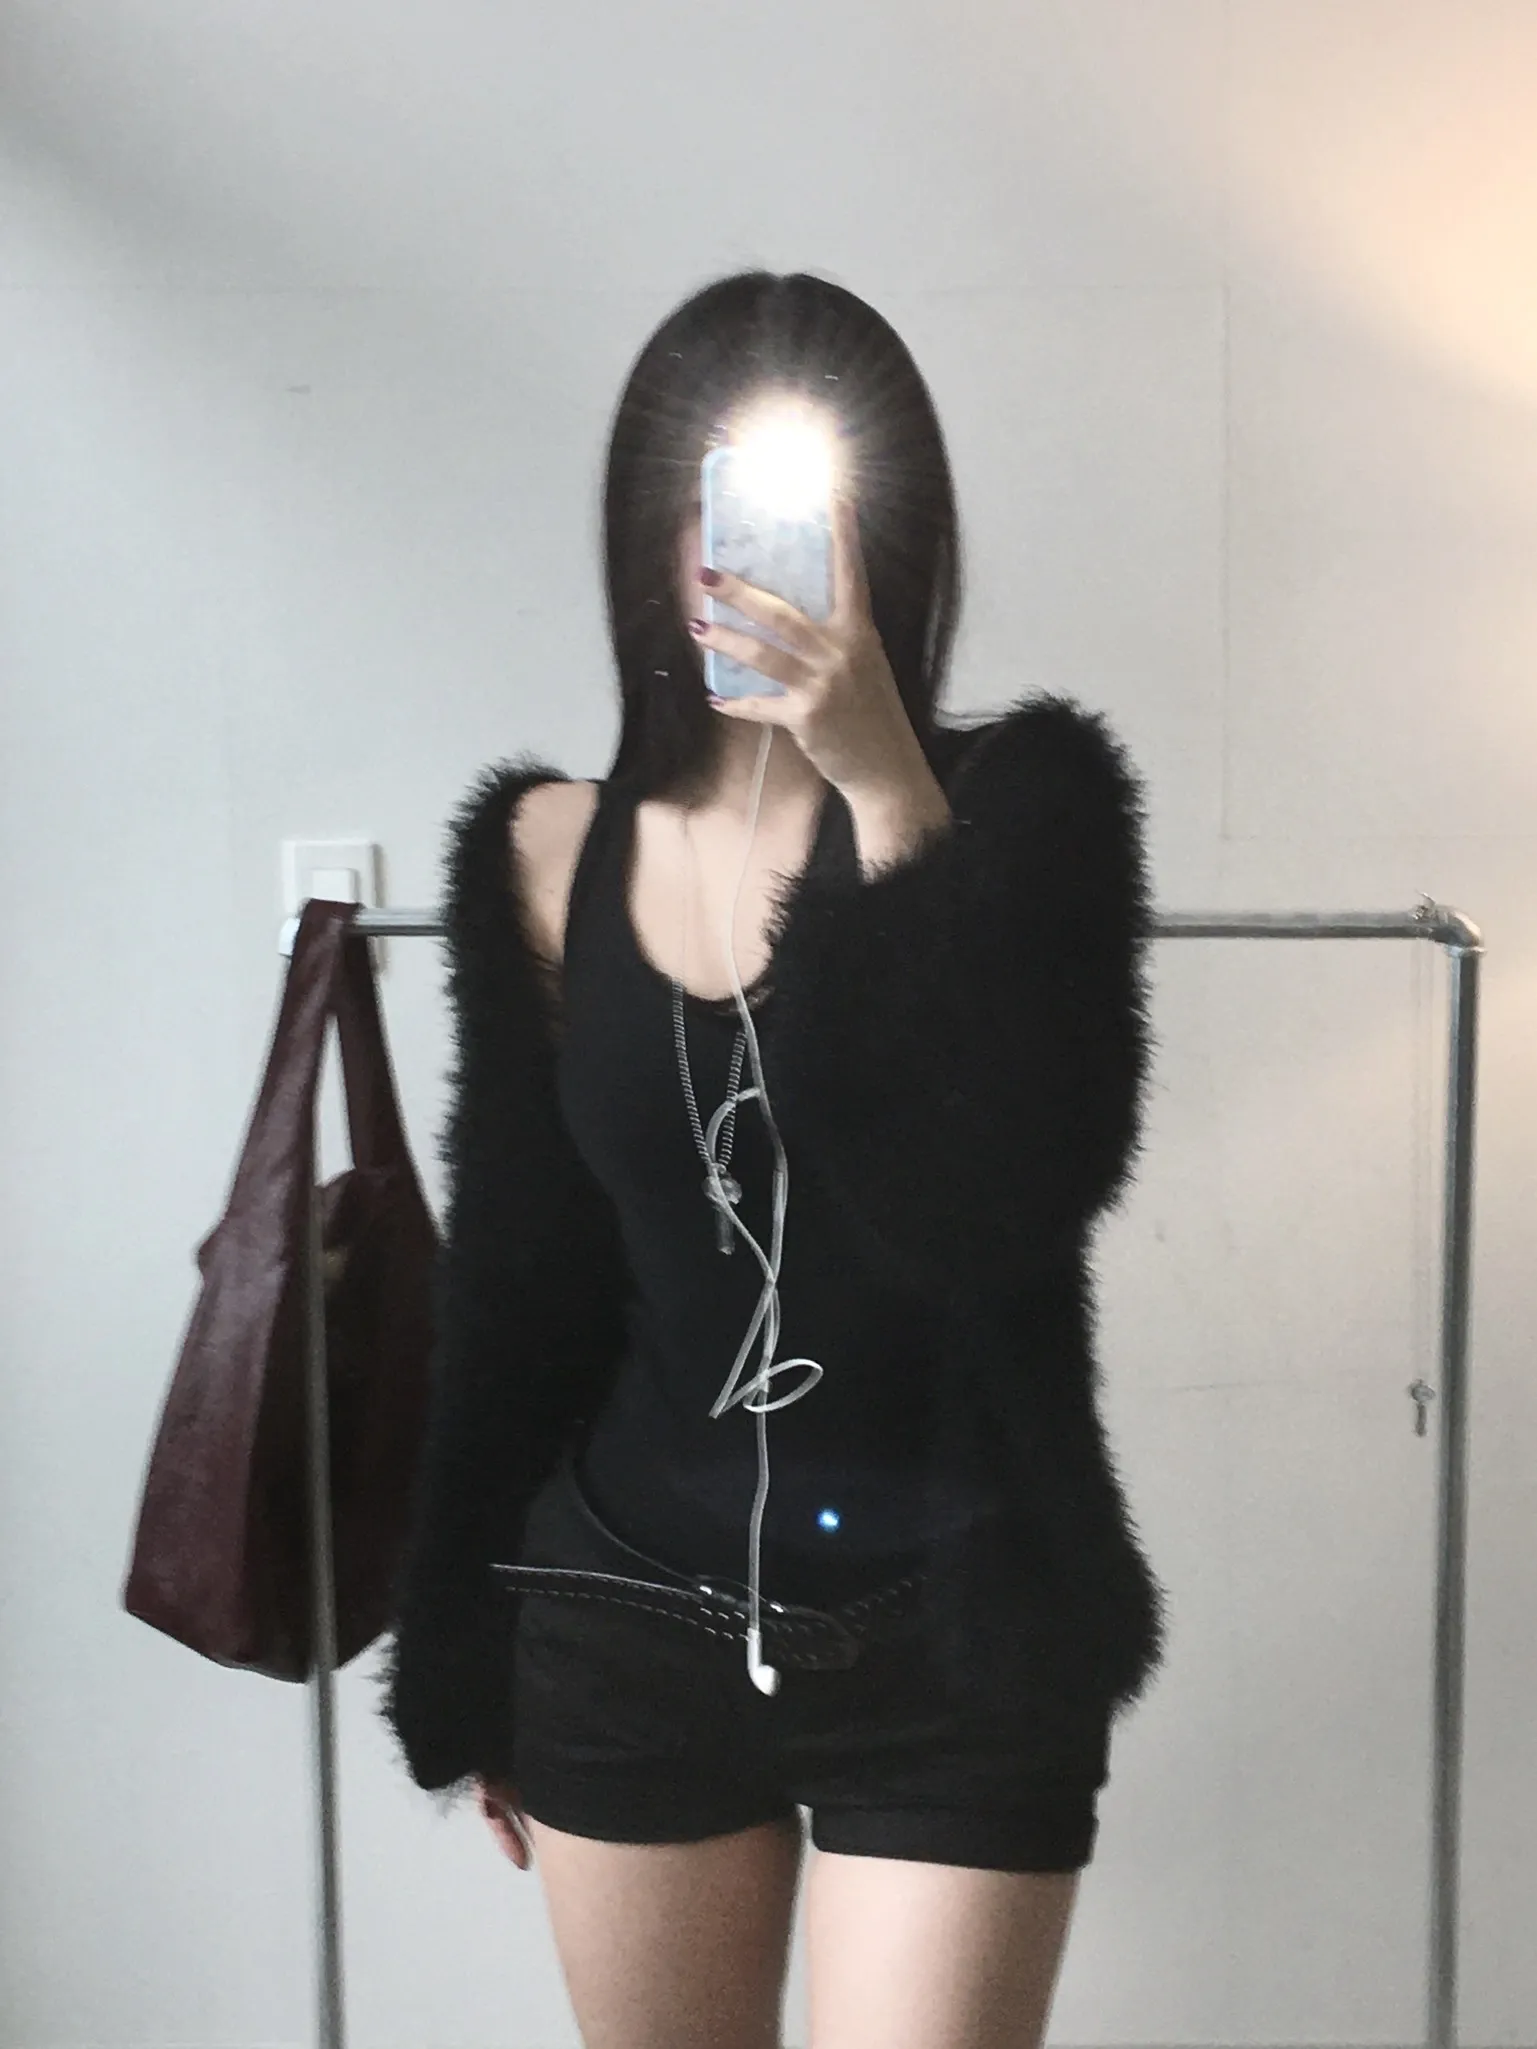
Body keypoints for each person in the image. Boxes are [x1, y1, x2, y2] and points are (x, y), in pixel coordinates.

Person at [379, 269, 1168, 2049]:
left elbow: (1011, 1200)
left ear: (892, 535)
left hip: (960, 1638)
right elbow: (518, 1286)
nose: (747, 556)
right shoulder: (548, 849)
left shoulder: (1021, 808)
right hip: (619, 1620)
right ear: (652, 529)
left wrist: (889, 795)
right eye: (714, 499)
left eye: (814, 507)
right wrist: (465, 1660)